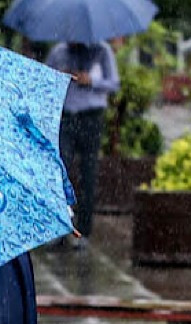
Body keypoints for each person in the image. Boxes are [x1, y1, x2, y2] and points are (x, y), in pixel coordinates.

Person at [45, 41, 119, 244]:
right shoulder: (59, 52)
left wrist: (92, 81)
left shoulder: (101, 52)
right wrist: (61, 77)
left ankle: (84, 230)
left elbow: (113, 83)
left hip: (91, 117)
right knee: (61, 171)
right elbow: (45, 80)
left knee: (89, 172)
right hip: (66, 116)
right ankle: (59, 227)